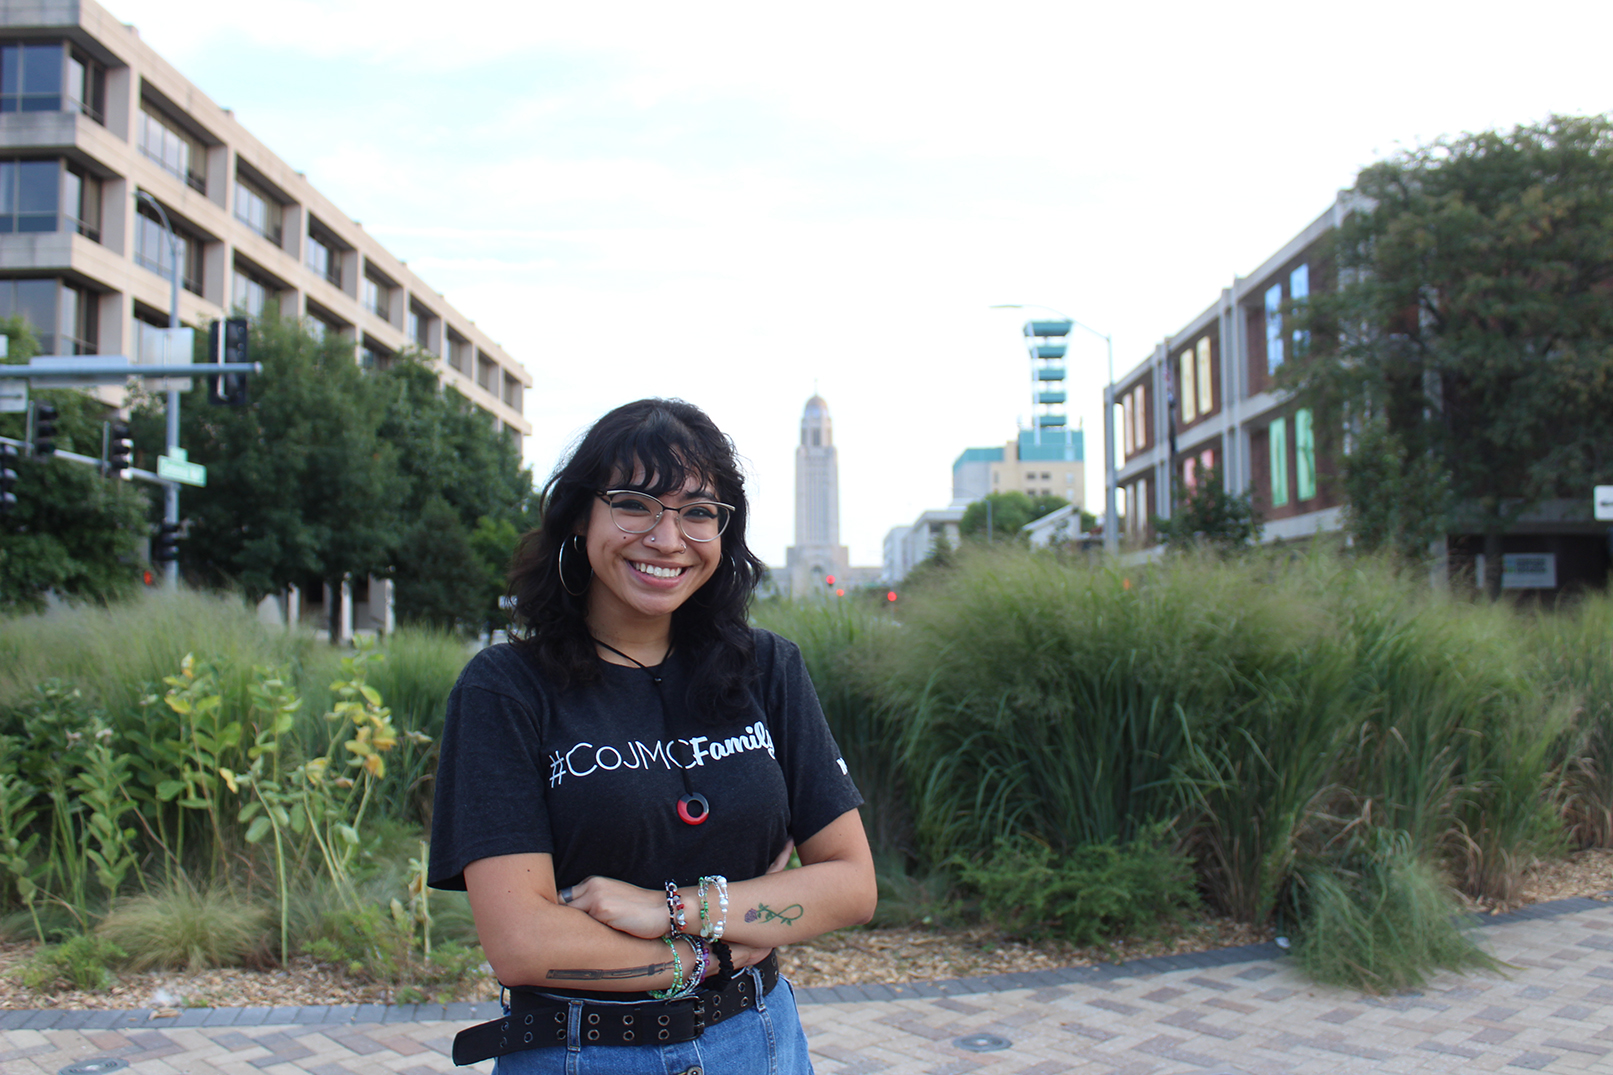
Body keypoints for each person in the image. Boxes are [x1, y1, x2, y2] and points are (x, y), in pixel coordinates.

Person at [429, 398, 877, 1074]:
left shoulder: (767, 668)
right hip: (579, 1052)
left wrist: (671, 907)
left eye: (697, 511)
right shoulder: (505, 690)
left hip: (755, 1041)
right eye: (635, 503)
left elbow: (847, 884)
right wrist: (714, 948)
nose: (668, 538)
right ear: (582, 516)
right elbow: (523, 941)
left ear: (723, 532)